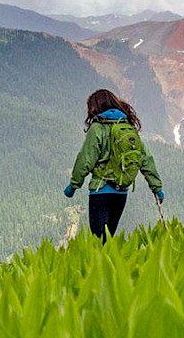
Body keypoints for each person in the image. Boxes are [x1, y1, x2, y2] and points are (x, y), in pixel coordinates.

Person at [64, 89, 164, 242]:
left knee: (98, 241)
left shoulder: (98, 128)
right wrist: (157, 188)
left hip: (100, 192)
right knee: (108, 239)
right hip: (121, 194)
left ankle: (100, 265)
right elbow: (146, 160)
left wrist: (74, 185)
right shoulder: (128, 128)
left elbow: (85, 159)